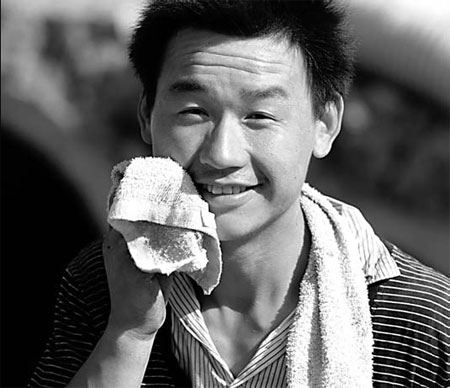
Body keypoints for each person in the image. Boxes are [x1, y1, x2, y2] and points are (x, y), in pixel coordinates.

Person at [29, 1, 449, 387]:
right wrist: (130, 332)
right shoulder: (106, 282)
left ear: (325, 124)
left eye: (259, 116)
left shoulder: (420, 319)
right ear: (146, 116)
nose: (221, 153)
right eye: (194, 112)